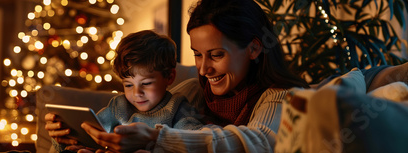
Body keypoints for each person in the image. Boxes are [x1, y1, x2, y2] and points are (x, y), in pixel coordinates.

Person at [46, 0, 405, 152]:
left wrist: (157, 139)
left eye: (216, 55)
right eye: (198, 55)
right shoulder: (189, 89)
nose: (203, 69)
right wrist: (79, 134)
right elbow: (133, 116)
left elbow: (257, 142)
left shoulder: (278, 95)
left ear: (253, 48)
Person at [50, 30, 203, 153]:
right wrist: (67, 139)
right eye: (129, 85)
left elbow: (193, 144)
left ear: (169, 77)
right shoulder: (119, 105)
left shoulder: (178, 109)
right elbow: (92, 134)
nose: (137, 93)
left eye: (146, 83)